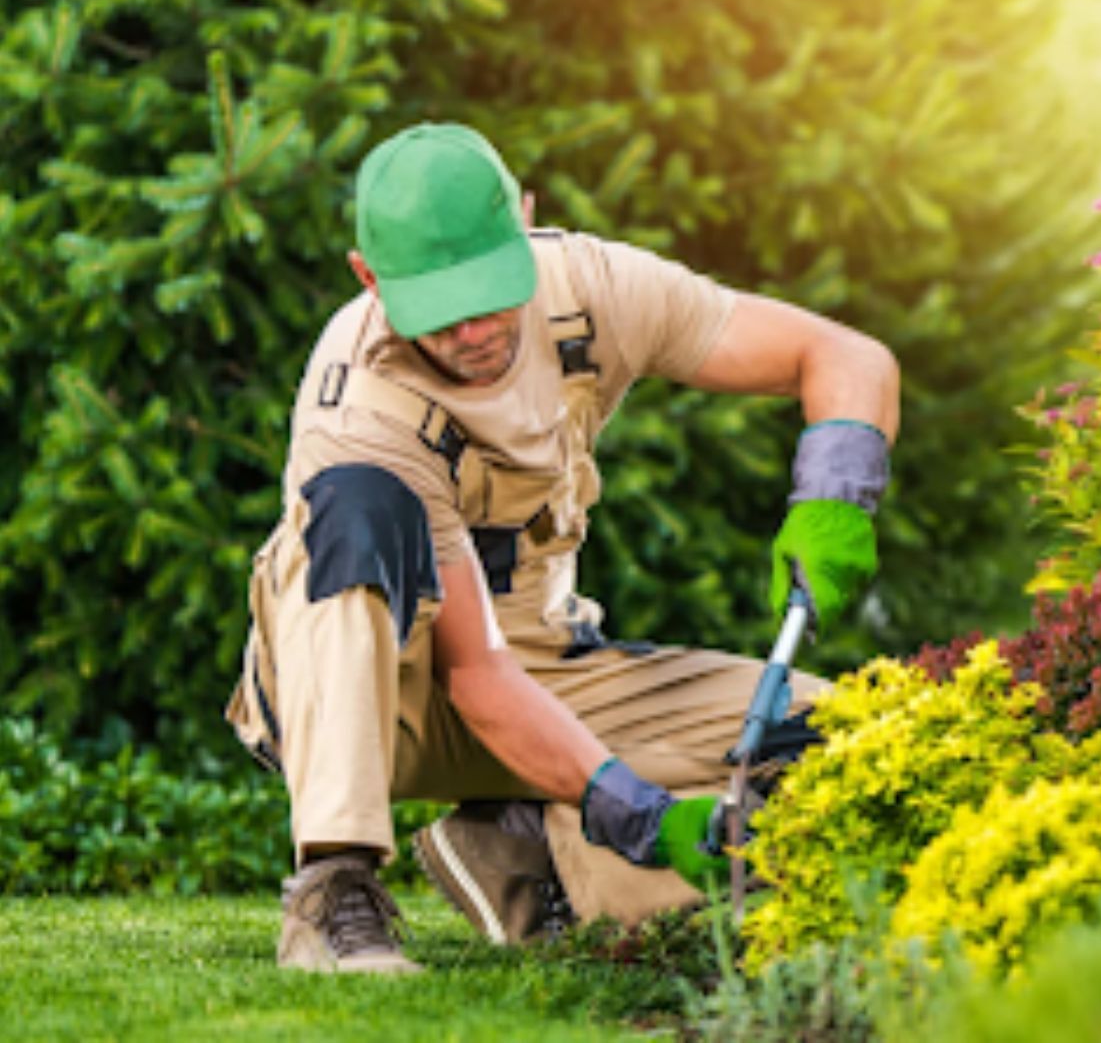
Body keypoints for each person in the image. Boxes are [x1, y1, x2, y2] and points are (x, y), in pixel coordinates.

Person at [224, 123, 898, 974]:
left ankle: (527, 854)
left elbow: (841, 354)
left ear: (528, 220)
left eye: (490, 290)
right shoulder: (360, 403)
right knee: (356, 512)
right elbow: (474, 677)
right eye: (441, 307)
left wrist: (834, 501)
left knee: (839, 739)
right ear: (369, 278)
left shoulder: (593, 288)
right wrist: (642, 812)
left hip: (543, 665)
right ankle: (334, 887)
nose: (474, 330)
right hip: (380, 697)